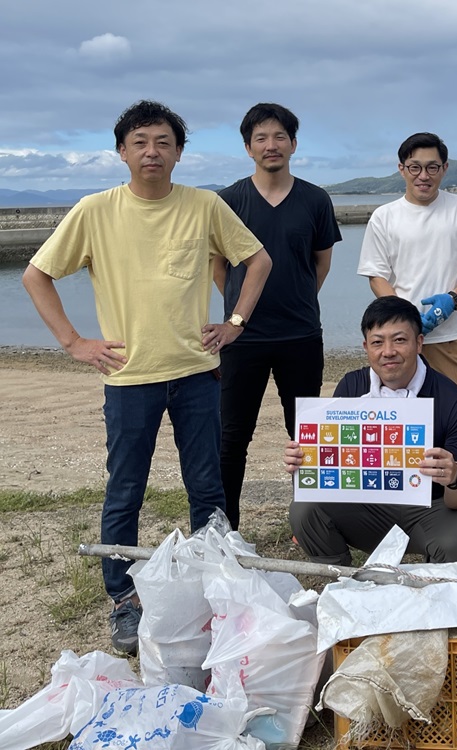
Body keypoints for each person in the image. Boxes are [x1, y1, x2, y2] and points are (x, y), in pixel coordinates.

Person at [21, 100, 272, 655]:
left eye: (163, 142)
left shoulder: (204, 206)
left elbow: (257, 261)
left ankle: (217, 588)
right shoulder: (95, 210)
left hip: (197, 372)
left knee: (207, 487)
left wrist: (234, 322)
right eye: (140, 142)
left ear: (179, 153)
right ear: (122, 152)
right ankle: (122, 599)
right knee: (125, 490)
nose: (151, 151)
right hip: (128, 377)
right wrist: (74, 342)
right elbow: (37, 275)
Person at [356, 133, 457, 539]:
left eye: (433, 167)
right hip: (399, 340)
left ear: (445, 168)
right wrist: (404, 321)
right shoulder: (385, 216)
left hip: (449, 335)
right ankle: (387, 496)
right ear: (402, 168)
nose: (424, 175)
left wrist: (452, 299)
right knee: (392, 417)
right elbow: (377, 275)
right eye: (415, 167)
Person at [215, 103, 341, 531]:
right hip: (241, 340)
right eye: (261, 138)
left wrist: (299, 298)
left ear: (293, 144)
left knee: (306, 435)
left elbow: (321, 263)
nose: (271, 145)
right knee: (231, 437)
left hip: (301, 335)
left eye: (280, 137)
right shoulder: (228, 200)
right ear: (248, 147)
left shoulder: (315, 199)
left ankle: (310, 524)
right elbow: (218, 265)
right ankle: (225, 527)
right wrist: (239, 312)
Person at [286, 296, 457, 564]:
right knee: (304, 509)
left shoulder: (453, 399)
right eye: (377, 342)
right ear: (366, 347)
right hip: (367, 508)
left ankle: (437, 587)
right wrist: (303, 462)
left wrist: (454, 476)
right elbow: (328, 476)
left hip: (430, 508)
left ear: (419, 343)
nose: (388, 351)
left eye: (400, 340)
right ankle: (339, 581)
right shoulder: (350, 387)